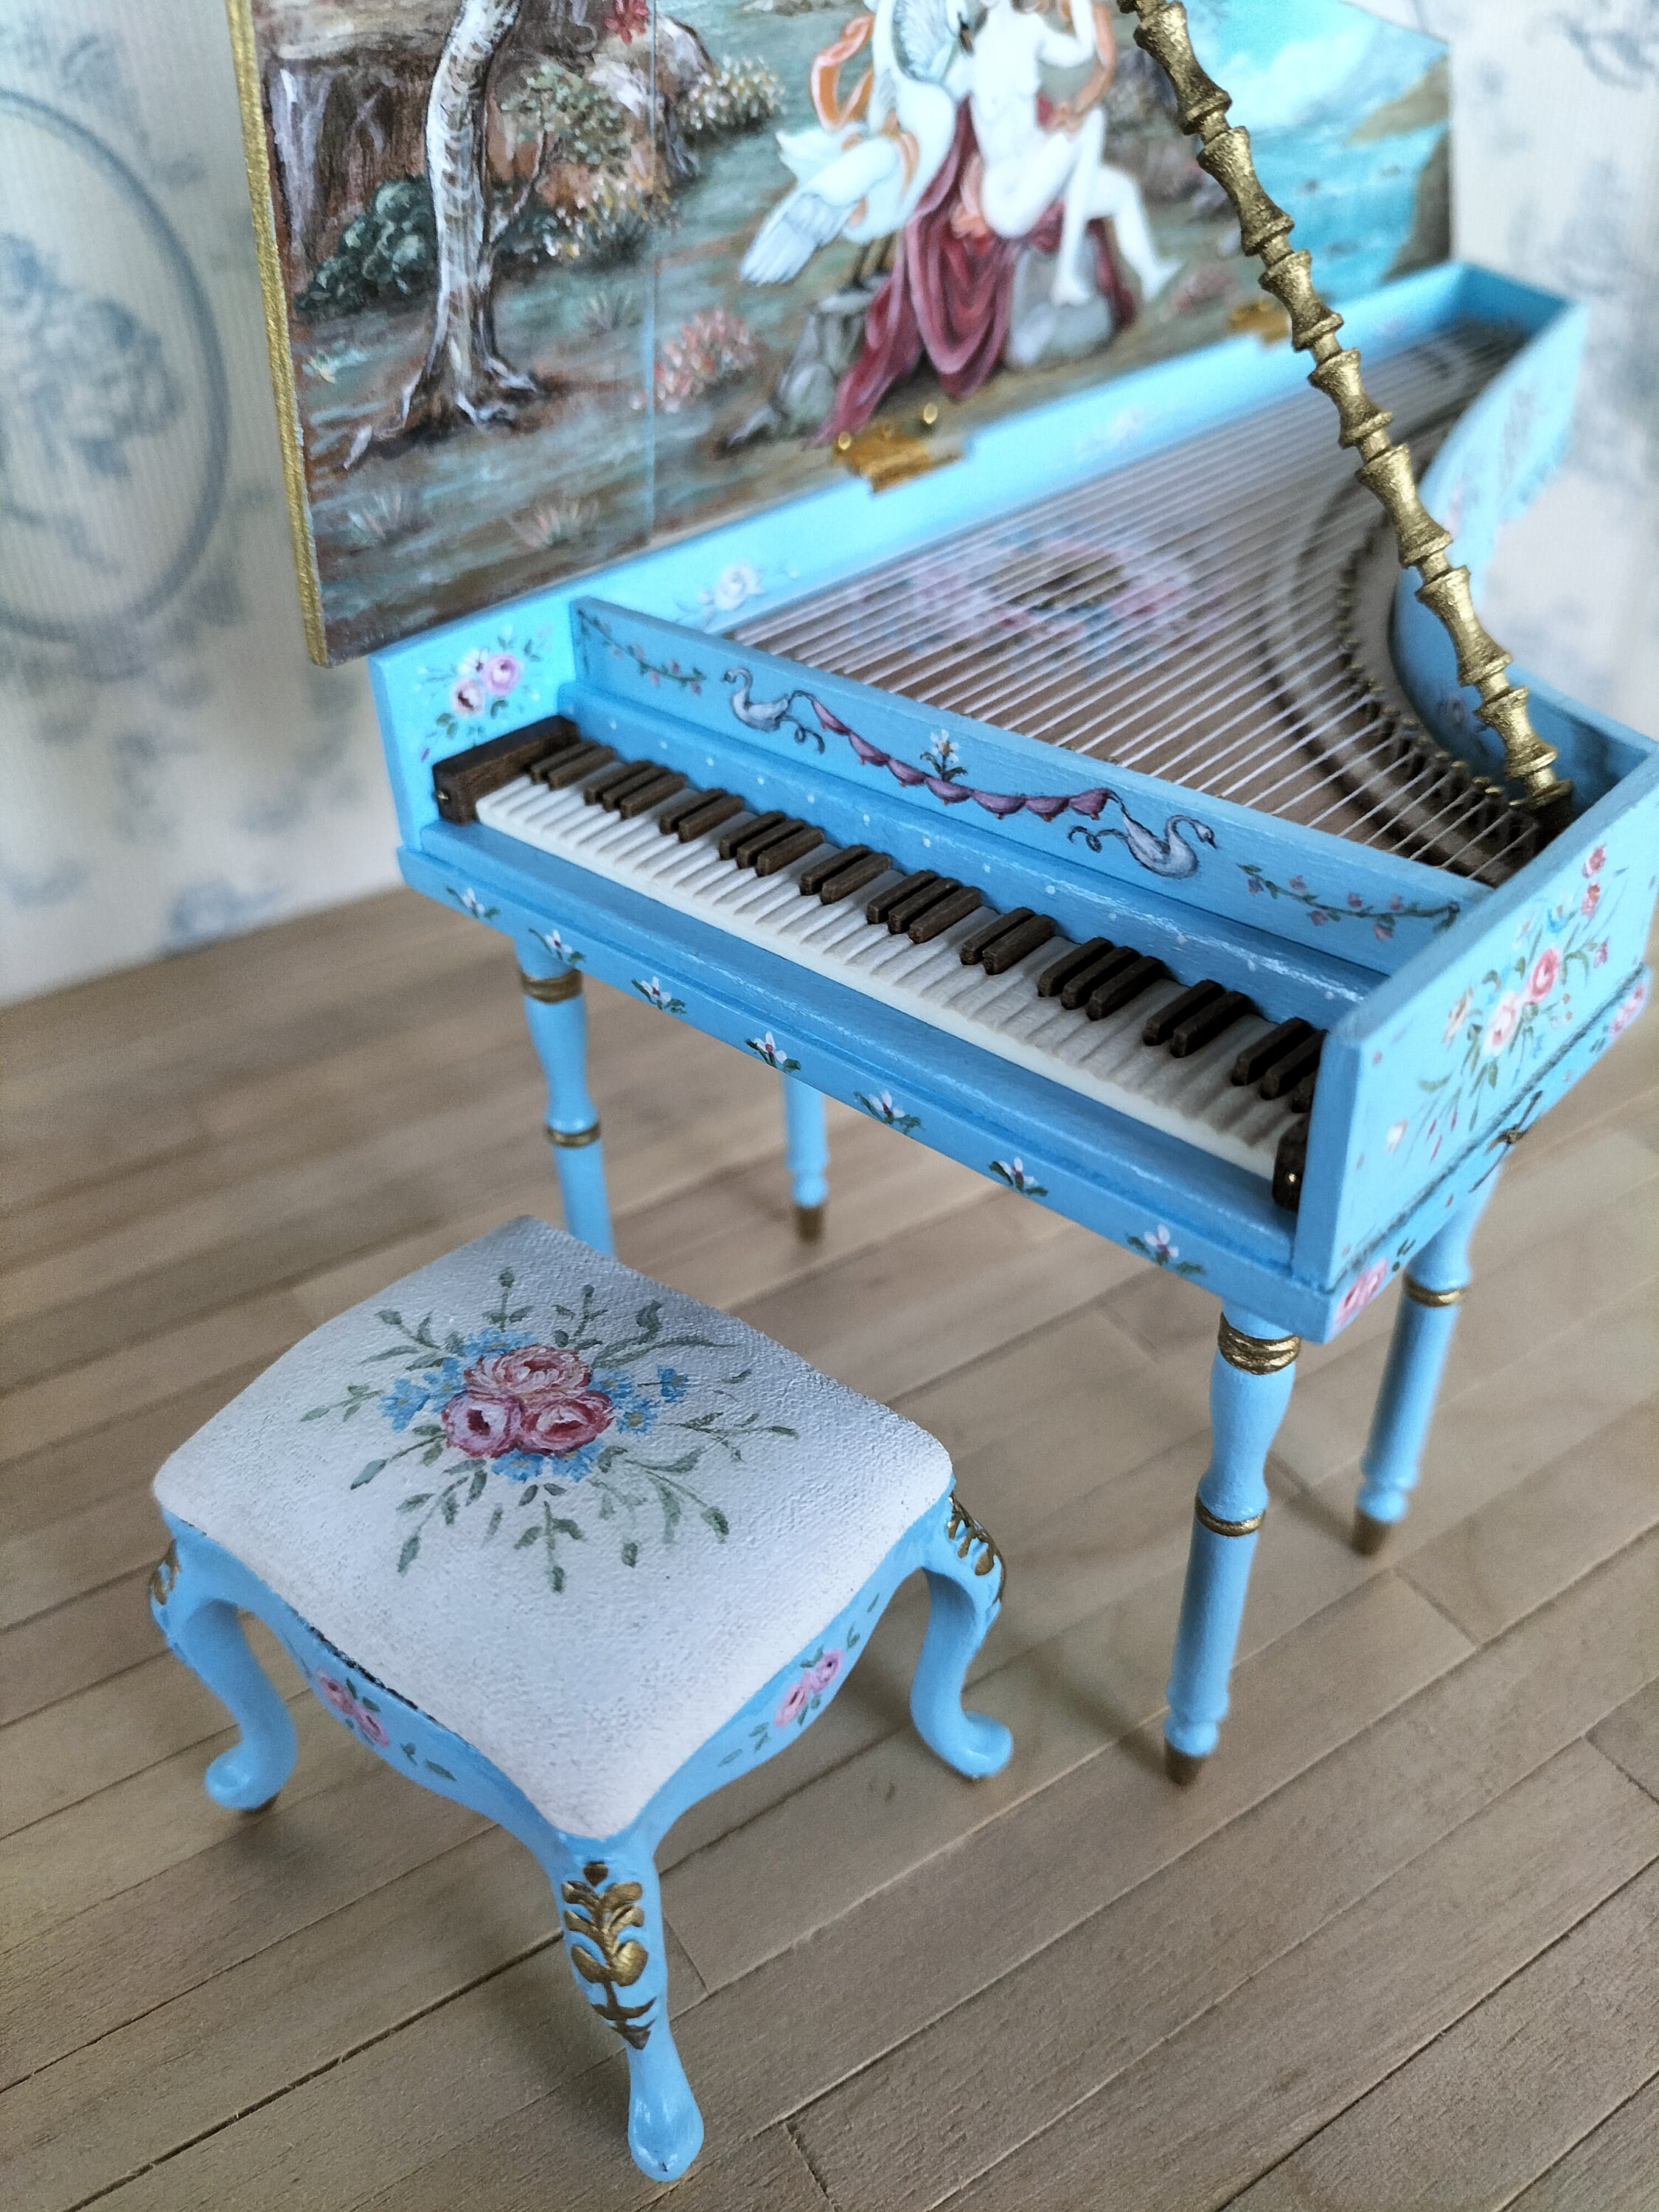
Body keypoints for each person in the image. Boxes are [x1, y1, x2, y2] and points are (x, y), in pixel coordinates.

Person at [968, 0, 1180, 308]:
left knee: (1122, 190)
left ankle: (1151, 274)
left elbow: (1081, 51)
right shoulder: (973, 50)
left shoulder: (1031, 28)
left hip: (1036, 168)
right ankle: (1065, 276)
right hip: (1007, 196)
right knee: (1091, 123)